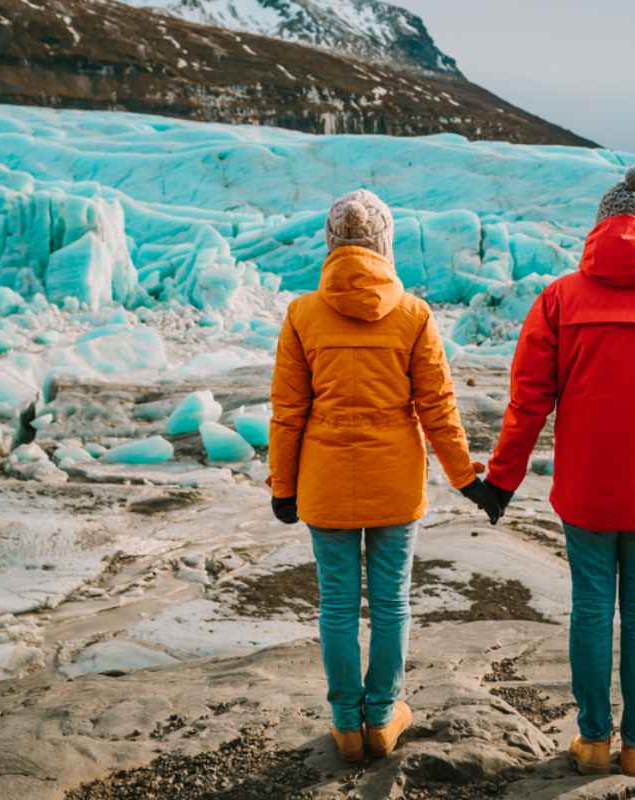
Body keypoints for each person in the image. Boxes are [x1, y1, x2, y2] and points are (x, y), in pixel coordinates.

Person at [484, 165, 635, 781]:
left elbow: (528, 401)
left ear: (600, 226)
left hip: (586, 492)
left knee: (591, 609)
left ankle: (594, 739)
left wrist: (502, 479)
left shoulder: (560, 299)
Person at [268, 189, 504, 763]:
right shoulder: (413, 314)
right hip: (396, 482)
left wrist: (282, 486)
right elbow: (438, 408)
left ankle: (346, 725)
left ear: (332, 244)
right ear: (384, 244)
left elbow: (287, 411)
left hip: (324, 482)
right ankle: (382, 715)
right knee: (393, 603)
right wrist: (466, 478)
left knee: (338, 606)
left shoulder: (302, 314)